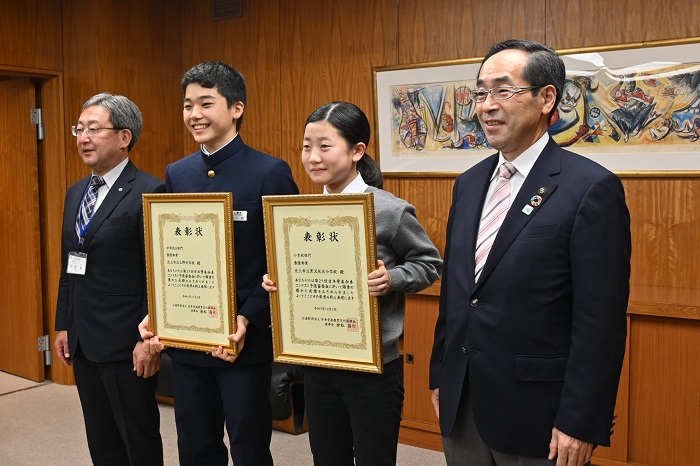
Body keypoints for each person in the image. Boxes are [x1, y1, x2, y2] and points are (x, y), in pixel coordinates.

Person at [429, 39, 631, 466]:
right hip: (462, 398)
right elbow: (458, 293)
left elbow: (600, 323)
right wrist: (439, 376)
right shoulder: (468, 183)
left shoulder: (590, 188)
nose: (486, 106)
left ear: (547, 98)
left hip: (540, 412)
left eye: (503, 91)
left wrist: (581, 420)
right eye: (480, 93)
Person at [262, 101, 443, 466]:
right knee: (327, 457)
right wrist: (279, 284)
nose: (312, 157)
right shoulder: (300, 212)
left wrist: (391, 278)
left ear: (357, 150)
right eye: (306, 146)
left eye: (324, 146)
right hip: (319, 361)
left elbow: (430, 264)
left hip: (372, 367)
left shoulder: (388, 209)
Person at [139, 61, 299, 466]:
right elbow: (174, 254)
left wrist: (248, 318)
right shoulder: (178, 173)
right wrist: (157, 312)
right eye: (188, 104)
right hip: (191, 340)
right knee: (195, 446)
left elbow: (285, 262)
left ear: (236, 109)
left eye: (206, 103)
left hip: (244, 342)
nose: (194, 114)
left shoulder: (270, 171)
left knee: (249, 446)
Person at [54, 93, 165, 466]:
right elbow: (70, 263)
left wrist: (148, 339)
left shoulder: (150, 191)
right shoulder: (75, 193)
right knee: (101, 440)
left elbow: (161, 274)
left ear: (124, 137)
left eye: (94, 129)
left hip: (126, 342)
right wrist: (64, 323)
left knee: (138, 439)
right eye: (79, 129)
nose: (83, 137)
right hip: (84, 339)